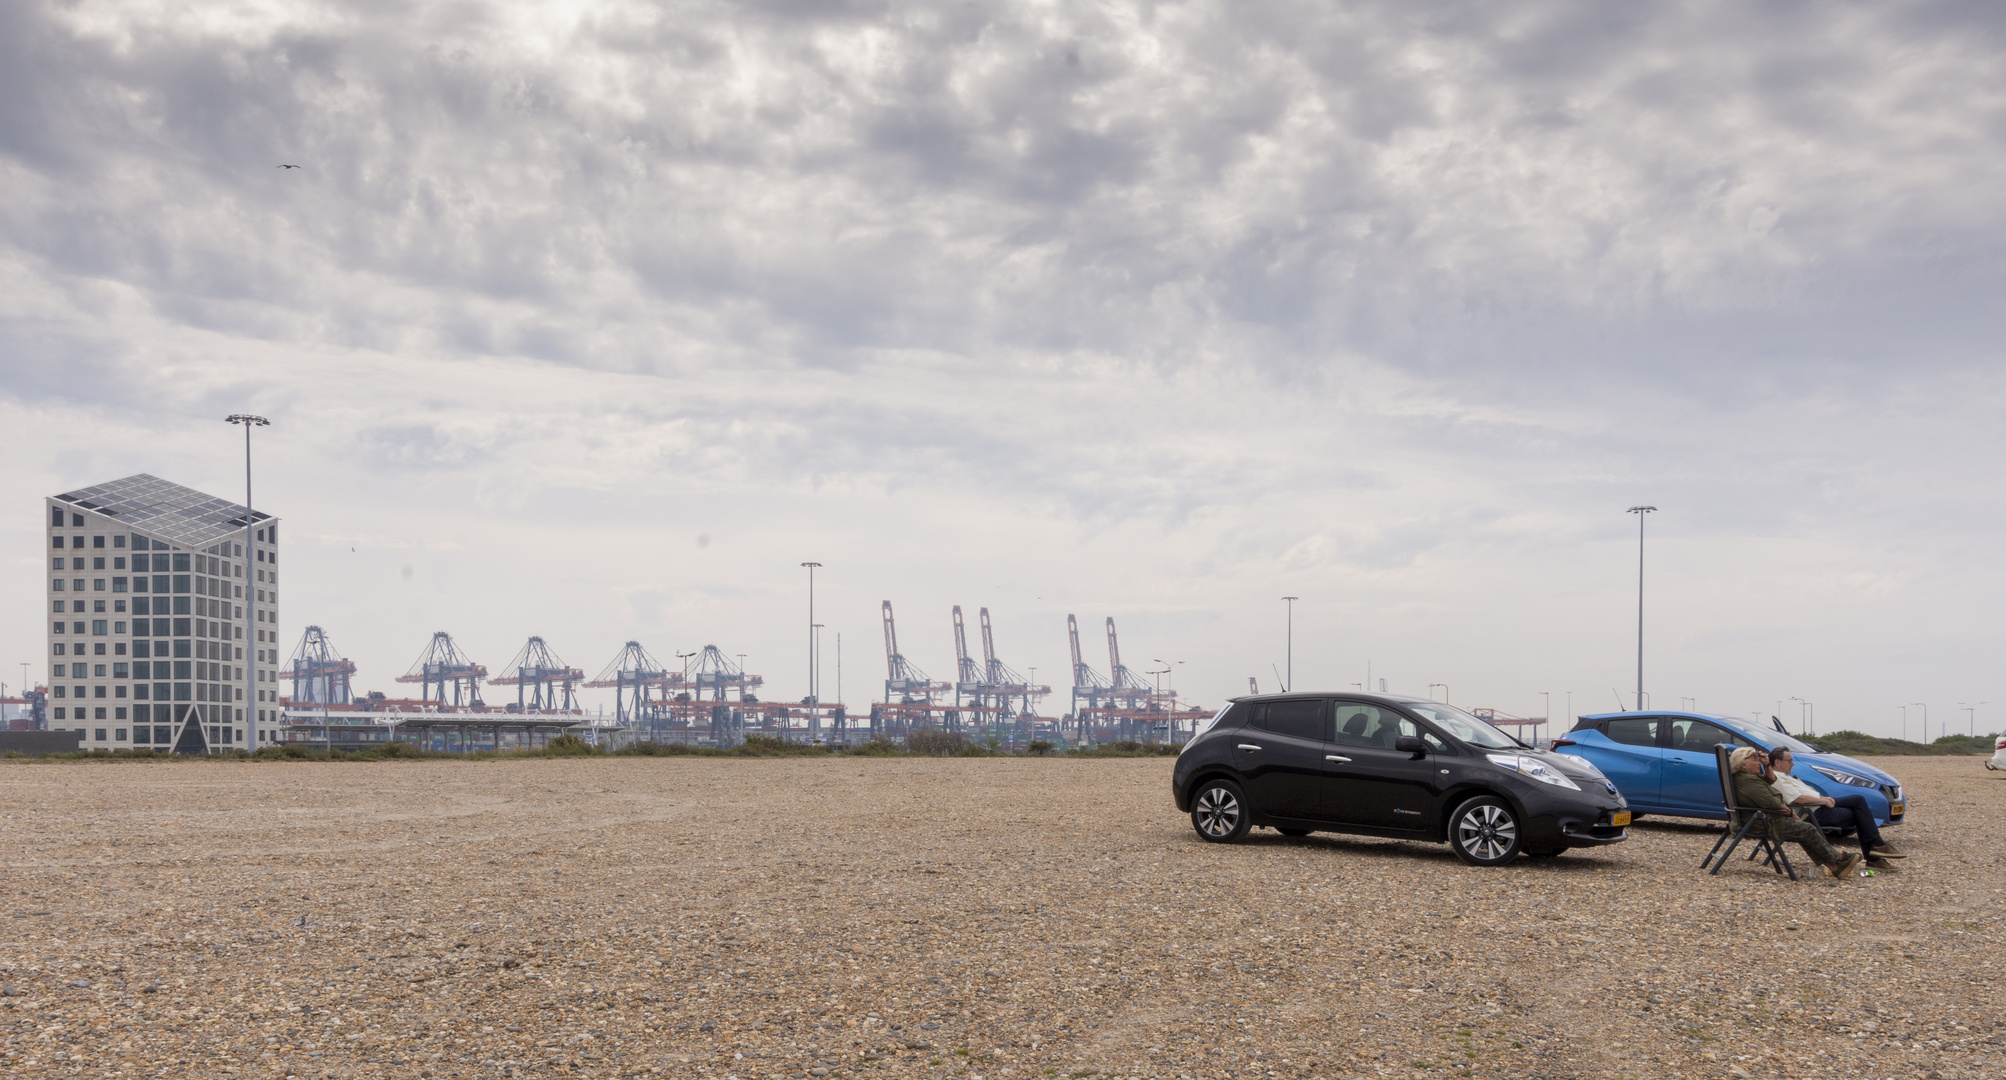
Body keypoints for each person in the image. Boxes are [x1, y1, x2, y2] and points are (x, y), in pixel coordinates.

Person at [1729, 746, 1864, 880]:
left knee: (1803, 830)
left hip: (1761, 818)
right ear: (1743, 765)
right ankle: (1838, 857)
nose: (1759, 763)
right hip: (1761, 822)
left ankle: (1834, 867)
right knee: (1807, 829)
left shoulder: (1747, 777)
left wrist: (1767, 764)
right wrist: (1791, 812)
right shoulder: (1747, 781)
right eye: (1755, 761)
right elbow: (1772, 803)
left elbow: (1771, 780)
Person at [1765, 747, 1907, 868]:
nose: (1792, 764)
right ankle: (1875, 853)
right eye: (1789, 761)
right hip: (1813, 812)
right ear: (1777, 762)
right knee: (1860, 810)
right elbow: (1798, 799)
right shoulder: (1776, 779)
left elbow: (1802, 794)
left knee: (1859, 803)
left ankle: (1876, 852)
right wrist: (1823, 801)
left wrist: (1823, 799)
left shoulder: (1786, 776)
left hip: (1819, 804)